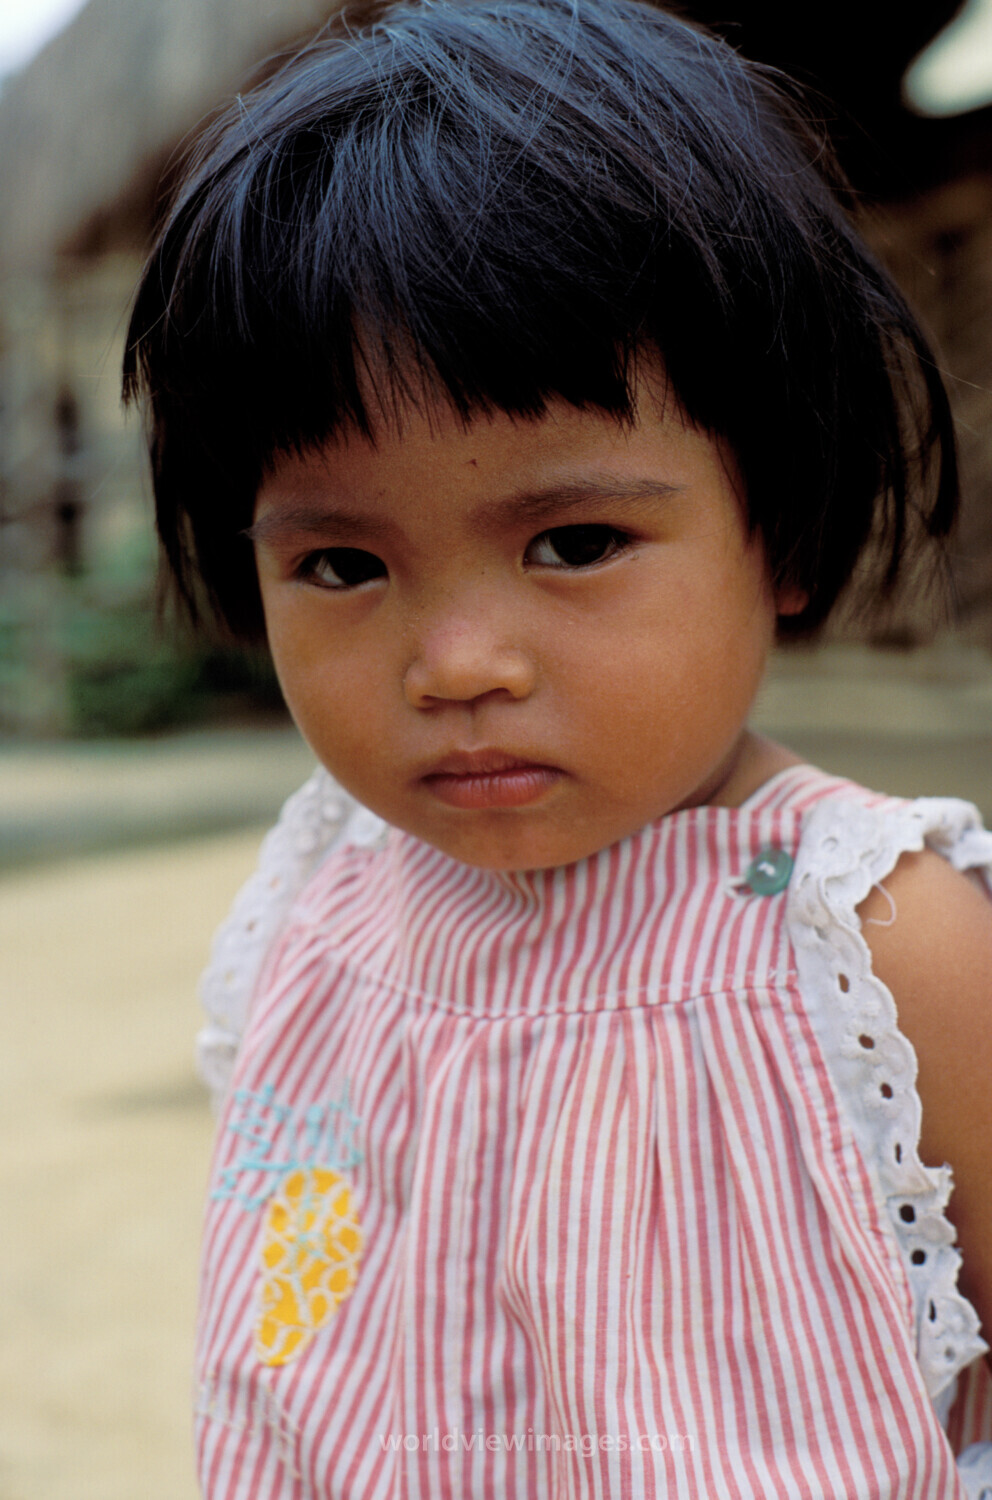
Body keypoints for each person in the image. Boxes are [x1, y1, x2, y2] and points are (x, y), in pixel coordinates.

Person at [124, 0, 992, 1493]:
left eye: (576, 540)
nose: (457, 665)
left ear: (773, 521)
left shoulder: (871, 940)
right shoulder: (327, 905)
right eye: (342, 567)